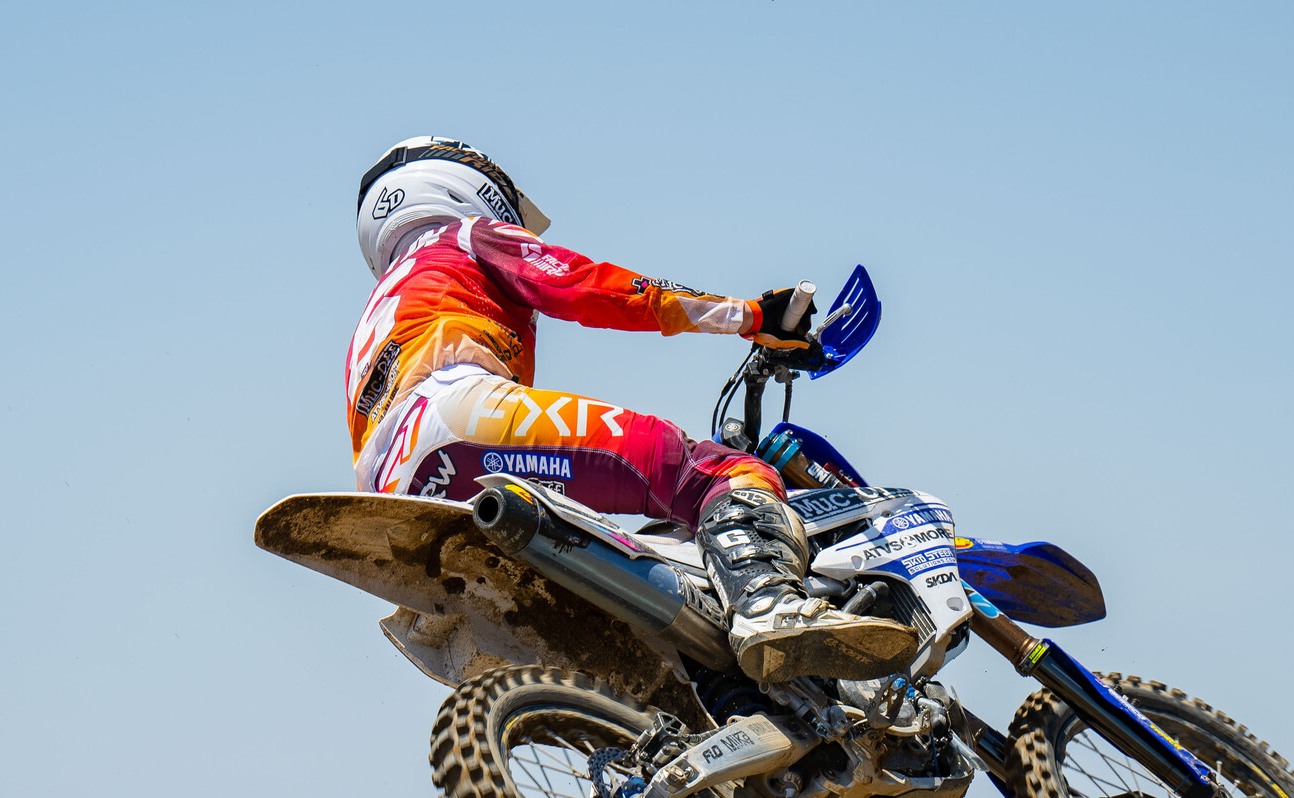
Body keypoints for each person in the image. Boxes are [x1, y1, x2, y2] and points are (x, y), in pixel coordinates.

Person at [347, 136, 918, 686]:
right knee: (715, 473)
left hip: (396, 488)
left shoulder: (376, 316)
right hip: (455, 418)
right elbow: (588, 286)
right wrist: (751, 316)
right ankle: (769, 606)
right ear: (461, 184)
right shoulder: (465, 236)